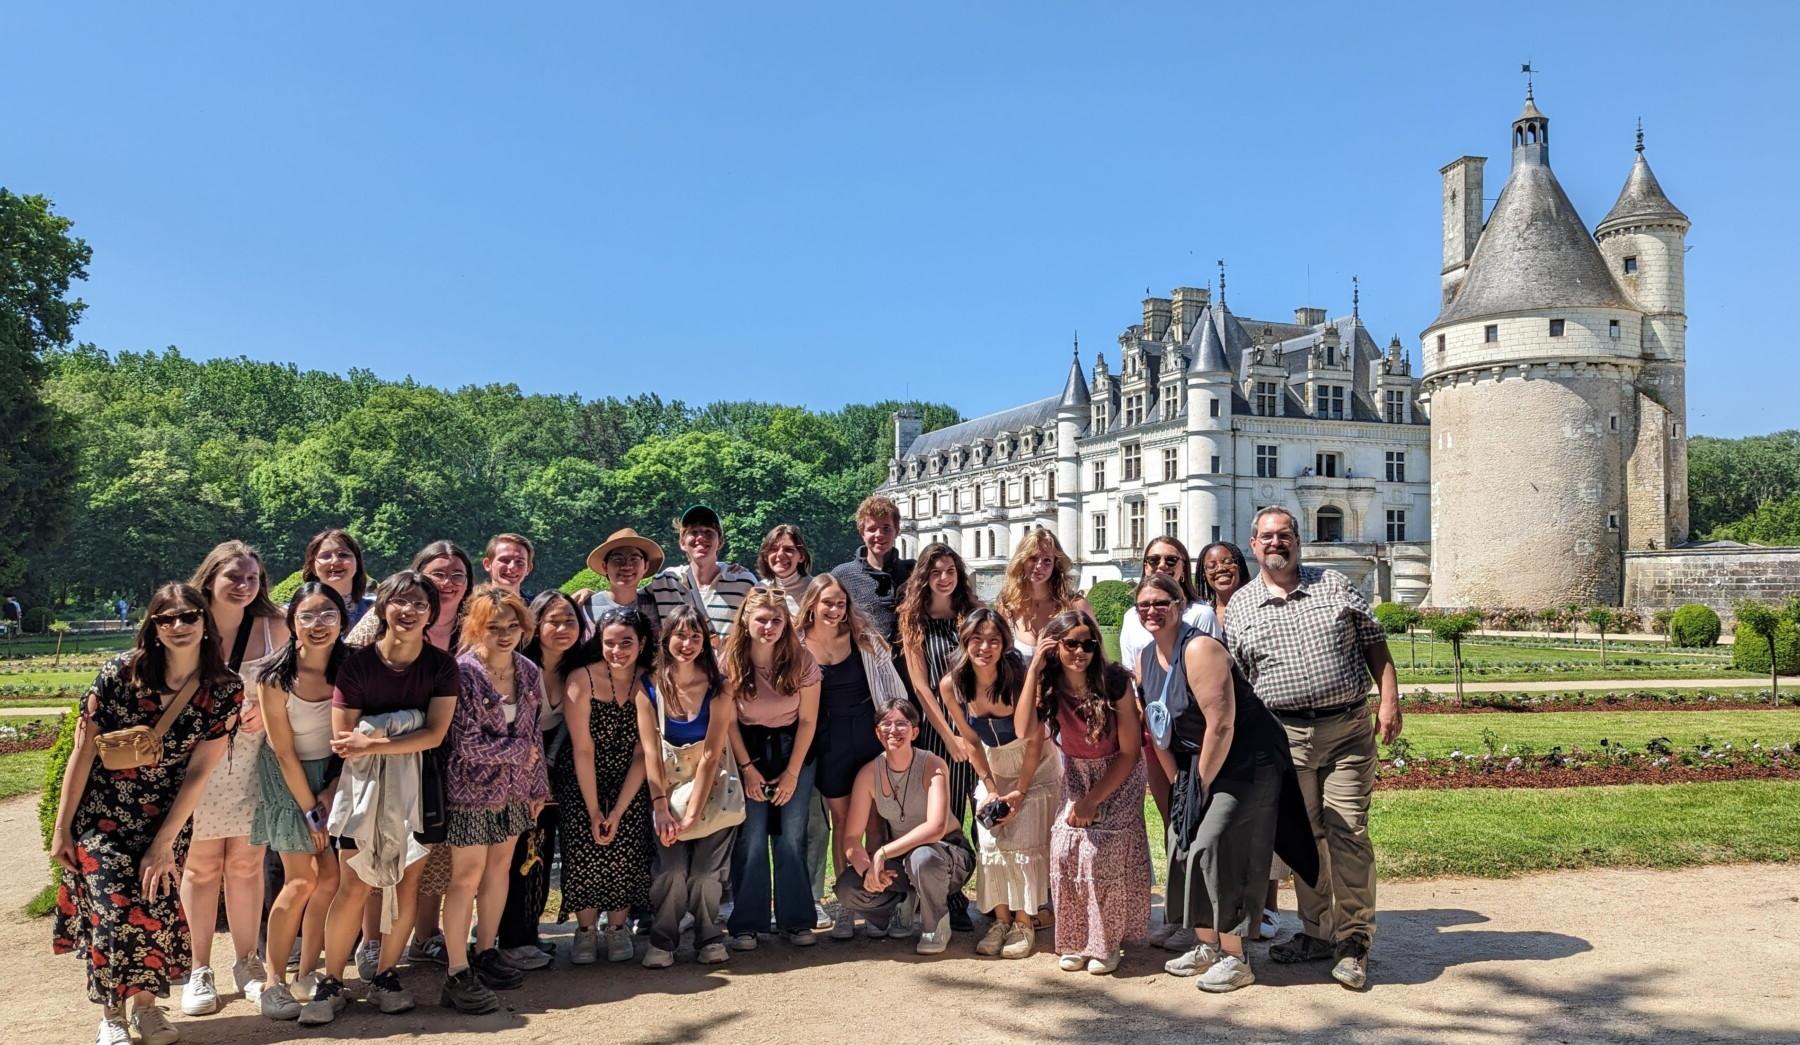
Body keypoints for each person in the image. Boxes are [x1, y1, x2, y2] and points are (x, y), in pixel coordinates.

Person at [50, 583, 242, 1045]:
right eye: (166, 618)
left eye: (189, 616)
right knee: (113, 914)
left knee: (151, 910)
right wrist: (62, 829)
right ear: (152, 627)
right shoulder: (120, 674)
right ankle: (112, 1015)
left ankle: (147, 1009)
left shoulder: (224, 689)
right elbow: (82, 752)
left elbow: (200, 772)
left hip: (164, 816)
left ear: (204, 623)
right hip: (102, 815)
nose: (179, 626)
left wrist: (163, 844)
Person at [1227, 506, 1402, 991]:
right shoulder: (1240, 606)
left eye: (1285, 535)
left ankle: (1353, 941)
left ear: (1298, 540)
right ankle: (1317, 932)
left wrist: (1388, 699)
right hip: (1284, 738)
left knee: (1347, 831)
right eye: (1267, 536)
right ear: (1253, 543)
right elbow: (1240, 685)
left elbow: (1374, 642)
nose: (1276, 543)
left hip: (1346, 727)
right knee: (1306, 838)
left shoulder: (1334, 584)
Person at [1135, 574, 1317, 993]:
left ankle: (1236, 957)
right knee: (1182, 841)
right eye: (1144, 604)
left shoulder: (1199, 648)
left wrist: (1198, 787)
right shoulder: (1147, 656)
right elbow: (1158, 726)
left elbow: (1222, 723)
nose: (1152, 610)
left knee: (1215, 844)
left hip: (1248, 760)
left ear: (1180, 604)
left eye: (1162, 602)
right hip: (1200, 760)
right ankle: (1206, 944)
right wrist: (1181, 787)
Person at [302, 571, 460, 1026]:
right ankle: (332, 979)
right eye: (400, 602)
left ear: (431, 614)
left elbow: (434, 734)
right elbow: (341, 738)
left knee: (406, 883)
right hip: (362, 788)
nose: (408, 612)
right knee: (356, 884)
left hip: (422, 785)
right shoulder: (357, 664)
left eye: (419, 605)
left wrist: (376, 737)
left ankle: (387, 975)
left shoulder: (440, 665)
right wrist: (397, 729)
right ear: (383, 607)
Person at [343, 540, 472, 972]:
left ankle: (424, 935)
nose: (449, 582)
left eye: (457, 574)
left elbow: (436, 728)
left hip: (441, 760)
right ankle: (372, 941)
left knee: (428, 858)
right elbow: (347, 703)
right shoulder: (368, 637)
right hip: (373, 768)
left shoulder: (470, 626)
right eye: (439, 573)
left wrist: (386, 732)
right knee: (374, 856)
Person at [182, 540, 289, 1016]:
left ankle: (247, 961)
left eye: (252, 578)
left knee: (246, 864)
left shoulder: (275, 627)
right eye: (234, 578)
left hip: (252, 758)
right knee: (200, 867)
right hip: (198, 760)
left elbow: (297, 685)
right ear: (210, 578)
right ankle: (198, 968)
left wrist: (266, 718)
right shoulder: (185, 624)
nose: (245, 586)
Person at [1015, 609, 1150, 975]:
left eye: (1087, 644)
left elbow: (1130, 753)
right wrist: (1033, 670)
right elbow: (1025, 729)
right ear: (1054, 646)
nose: (1080, 651)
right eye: (1070, 643)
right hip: (1077, 772)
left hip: (1117, 773)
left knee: (1098, 851)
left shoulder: (1114, 680)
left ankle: (1106, 944)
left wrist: (1092, 800)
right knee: (1062, 848)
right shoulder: (1050, 685)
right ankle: (1076, 938)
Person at [439, 585, 551, 1013]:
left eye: (512, 626)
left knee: (500, 870)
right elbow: (464, 742)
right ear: (475, 627)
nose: (504, 634)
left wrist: (538, 785)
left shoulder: (526, 669)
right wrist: (522, 755)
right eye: (493, 627)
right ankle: (456, 968)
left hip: (516, 791)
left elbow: (534, 733)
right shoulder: (462, 672)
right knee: (466, 877)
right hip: (469, 791)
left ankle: (486, 951)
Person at [938, 609, 1060, 959]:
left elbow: (1033, 737)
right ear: (964, 641)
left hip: (1033, 765)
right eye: (976, 639)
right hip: (991, 763)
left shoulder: (1018, 676)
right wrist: (990, 787)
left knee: (1023, 840)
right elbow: (971, 741)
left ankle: (1025, 920)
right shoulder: (953, 683)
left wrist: (1020, 791)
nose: (985, 647)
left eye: (994, 640)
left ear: (1005, 643)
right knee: (991, 838)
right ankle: (1001, 919)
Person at [250, 584, 348, 1021]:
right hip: (287, 777)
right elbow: (283, 750)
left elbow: (350, 740)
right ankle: (273, 981)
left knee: (330, 879)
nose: (318, 624)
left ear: (342, 620)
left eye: (328, 614)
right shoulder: (275, 676)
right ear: (292, 624)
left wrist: (330, 792)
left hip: (334, 773)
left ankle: (310, 971)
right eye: (307, 616)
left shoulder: (353, 669)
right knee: (301, 880)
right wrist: (312, 808)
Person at [1115, 536, 1216, 951]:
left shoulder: (1200, 614)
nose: (1161, 565)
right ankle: (1178, 915)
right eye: (1153, 559)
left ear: (1184, 566)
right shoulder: (1131, 615)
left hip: (1194, 734)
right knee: (1173, 822)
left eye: (1171, 559)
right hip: (1156, 734)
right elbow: (1131, 675)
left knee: (1197, 821)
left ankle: (1201, 920)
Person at [796, 574, 908, 939]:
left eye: (840, 603)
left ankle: (876, 904)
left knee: (875, 820)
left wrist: (895, 729)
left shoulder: (864, 639)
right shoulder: (797, 645)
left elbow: (893, 688)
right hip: (827, 741)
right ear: (812, 604)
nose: (834, 609)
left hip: (867, 735)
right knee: (843, 823)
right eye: (827, 602)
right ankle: (847, 904)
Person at [633, 606, 741, 967]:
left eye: (696, 637)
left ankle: (709, 936)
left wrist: (693, 811)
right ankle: (663, 940)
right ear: (666, 639)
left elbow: (712, 753)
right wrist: (661, 806)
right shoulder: (648, 685)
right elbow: (649, 749)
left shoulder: (719, 686)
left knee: (706, 873)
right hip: (666, 789)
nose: (687, 644)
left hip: (709, 789)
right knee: (670, 870)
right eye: (680, 635)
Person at [832, 700, 973, 956]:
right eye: (886, 723)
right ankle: (903, 902)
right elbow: (851, 838)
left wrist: (882, 853)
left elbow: (935, 828)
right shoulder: (868, 774)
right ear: (877, 732)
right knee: (848, 887)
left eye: (901, 724)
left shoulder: (933, 765)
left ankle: (936, 923)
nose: (893, 730)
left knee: (923, 857)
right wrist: (868, 871)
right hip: (903, 860)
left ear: (915, 732)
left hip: (948, 853)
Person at [723, 587, 822, 950]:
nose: (769, 626)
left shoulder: (801, 659)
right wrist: (747, 768)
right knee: (750, 837)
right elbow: (728, 721)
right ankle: (748, 922)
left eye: (776, 620)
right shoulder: (731, 660)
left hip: (793, 748)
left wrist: (793, 772)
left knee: (791, 837)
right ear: (746, 620)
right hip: (747, 749)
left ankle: (795, 920)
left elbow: (809, 721)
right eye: (761, 619)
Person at [557, 606, 655, 966]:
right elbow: (582, 747)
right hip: (584, 774)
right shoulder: (580, 678)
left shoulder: (649, 680)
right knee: (583, 843)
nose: (617, 651)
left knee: (626, 845)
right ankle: (585, 929)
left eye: (626, 642)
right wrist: (596, 807)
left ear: (641, 643)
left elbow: (643, 751)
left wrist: (618, 810)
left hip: (631, 773)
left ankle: (616, 926)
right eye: (609, 642)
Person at [496, 591, 586, 968]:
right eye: (553, 621)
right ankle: (509, 939)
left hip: (554, 766)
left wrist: (548, 766)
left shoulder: (579, 668)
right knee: (512, 853)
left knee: (539, 850)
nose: (562, 629)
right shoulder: (517, 666)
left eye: (570, 621)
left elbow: (571, 725)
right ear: (535, 625)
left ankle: (528, 933)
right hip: (512, 768)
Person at [1198, 539, 1281, 940]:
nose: (1220, 570)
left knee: (1266, 815)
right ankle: (1230, 906)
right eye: (1211, 565)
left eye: (1228, 561)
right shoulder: (1200, 613)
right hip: (1218, 722)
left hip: (1258, 715)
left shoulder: (1257, 602)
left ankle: (1268, 905)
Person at [896, 541, 981, 929]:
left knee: (983, 813)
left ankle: (997, 896)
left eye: (950, 571)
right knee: (947, 817)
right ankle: (951, 897)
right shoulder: (912, 618)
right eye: (936, 572)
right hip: (936, 730)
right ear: (924, 578)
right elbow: (920, 686)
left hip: (975, 724)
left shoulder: (971, 615)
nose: (944, 579)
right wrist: (948, 737)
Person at [647, 505, 760, 643]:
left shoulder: (743, 582)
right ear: (682, 542)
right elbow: (627, 599)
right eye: (693, 532)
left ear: (720, 542)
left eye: (708, 532)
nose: (700, 537)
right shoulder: (665, 581)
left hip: (723, 665)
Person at [828, 495, 914, 647]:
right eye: (872, 529)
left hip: (907, 666)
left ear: (897, 530)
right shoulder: (842, 576)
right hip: (861, 665)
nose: (879, 535)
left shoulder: (913, 572)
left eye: (886, 528)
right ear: (862, 532)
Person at [997, 528, 1090, 657]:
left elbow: (1099, 658)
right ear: (1022, 560)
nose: (1039, 566)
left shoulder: (1075, 606)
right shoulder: (1008, 606)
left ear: (1055, 565)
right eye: (1033, 558)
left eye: (1047, 560)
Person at [580, 528, 663, 635]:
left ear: (646, 566)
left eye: (634, 559)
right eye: (618, 559)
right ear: (605, 566)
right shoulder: (586, 608)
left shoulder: (657, 606)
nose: (626, 566)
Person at [299, 529, 374, 628]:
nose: (335, 561)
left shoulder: (375, 611)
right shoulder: (296, 613)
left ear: (357, 563)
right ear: (313, 567)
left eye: (343, 555)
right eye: (326, 556)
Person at [756, 524, 813, 615]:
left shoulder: (815, 590)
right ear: (766, 556)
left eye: (788, 549)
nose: (780, 554)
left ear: (801, 556)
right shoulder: (759, 589)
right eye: (774, 549)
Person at [481, 533, 535, 597]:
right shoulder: (472, 605)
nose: (512, 567)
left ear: (528, 568)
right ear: (487, 564)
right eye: (504, 560)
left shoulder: (537, 606)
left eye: (519, 562)